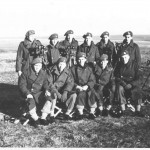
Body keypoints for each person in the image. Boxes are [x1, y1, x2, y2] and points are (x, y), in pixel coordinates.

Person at [18, 57, 56, 127]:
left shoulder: (43, 73)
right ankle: (35, 119)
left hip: (38, 93)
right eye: (36, 65)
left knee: (49, 98)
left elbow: (45, 84)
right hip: (29, 92)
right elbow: (22, 85)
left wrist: (47, 90)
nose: (37, 67)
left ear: (41, 66)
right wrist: (27, 93)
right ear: (32, 65)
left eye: (39, 65)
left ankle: (43, 117)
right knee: (30, 101)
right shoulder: (26, 73)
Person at [114, 50, 144, 117]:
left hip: (133, 84)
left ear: (129, 57)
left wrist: (131, 84)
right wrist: (123, 84)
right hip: (123, 83)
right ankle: (123, 110)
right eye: (122, 57)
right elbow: (116, 76)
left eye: (125, 57)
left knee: (137, 89)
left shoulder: (135, 65)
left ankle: (138, 110)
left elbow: (140, 78)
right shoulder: (119, 65)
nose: (124, 59)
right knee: (119, 89)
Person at [70, 52, 96, 120]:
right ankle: (80, 113)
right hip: (78, 87)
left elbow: (92, 80)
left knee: (92, 93)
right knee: (81, 94)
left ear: (85, 59)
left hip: (87, 87)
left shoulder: (89, 69)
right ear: (77, 60)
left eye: (83, 59)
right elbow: (71, 80)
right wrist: (77, 86)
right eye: (79, 59)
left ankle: (91, 112)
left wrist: (87, 86)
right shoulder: (73, 69)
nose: (81, 61)